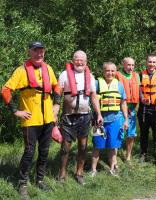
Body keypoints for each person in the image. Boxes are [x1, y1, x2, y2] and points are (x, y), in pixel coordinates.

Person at [1, 41, 61, 198]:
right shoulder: (21, 71)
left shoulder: (48, 69)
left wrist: (57, 104)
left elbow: (57, 87)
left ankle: (40, 180)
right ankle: (23, 183)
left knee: (44, 151)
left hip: (48, 118)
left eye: (41, 51)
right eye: (36, 51)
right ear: (30, 52)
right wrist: (15, 111)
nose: (39, 54)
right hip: (30, 120)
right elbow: (6, 90)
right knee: (29, 152)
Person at [55, 50, 103, 185]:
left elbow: (94, 97)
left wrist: (98, 114)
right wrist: (55, 113)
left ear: (86, 62)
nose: (79, 61)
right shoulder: (64, 75)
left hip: (85, 116)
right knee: (65, 148)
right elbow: (58, 96)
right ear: (72, 60)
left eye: (82, 59)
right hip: (68, 116)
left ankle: (79, 173)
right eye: (76, 59)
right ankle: (62, 175)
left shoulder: (90, 77)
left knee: (82, 147)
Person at [91, 62, 128, 176]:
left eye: (112, 71)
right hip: (99, 121)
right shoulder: (97, 83)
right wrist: (98, 115)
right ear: (103, 71)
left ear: (115, 72)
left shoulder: (119, 85)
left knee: (113, 145)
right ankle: (93, 170)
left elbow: (123, 103)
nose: (110, 73)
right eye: (107, 70)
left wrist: (126, 119)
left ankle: (112, 169)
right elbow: (93, 100)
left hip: (115, 120)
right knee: (97, 145)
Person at [115, 57, 140, 161]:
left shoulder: (136, 76)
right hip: (119, 109)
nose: (131, 67)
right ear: (123, 65)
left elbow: (140, 90)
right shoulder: (117, 75)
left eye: (133, 65)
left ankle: (128, 156)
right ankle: (114, 158)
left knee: (131, 134)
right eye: (128, 65)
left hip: (131, 109)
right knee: (118, 133)